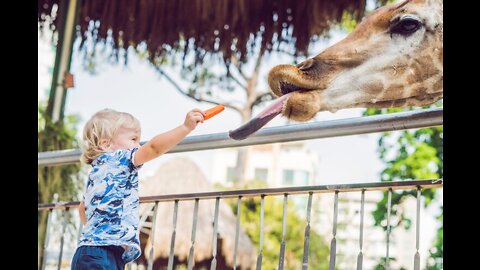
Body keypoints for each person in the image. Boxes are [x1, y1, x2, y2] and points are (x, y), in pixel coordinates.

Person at [71, 108, 205, 270]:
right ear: (106, 144)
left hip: (92, 250)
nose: (138, 145)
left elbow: (82, 209)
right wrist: (185, 127)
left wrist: (97, 231)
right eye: (134, 139)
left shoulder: (97, 170)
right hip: (103, 253)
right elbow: (154, 148)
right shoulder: (120, 158)